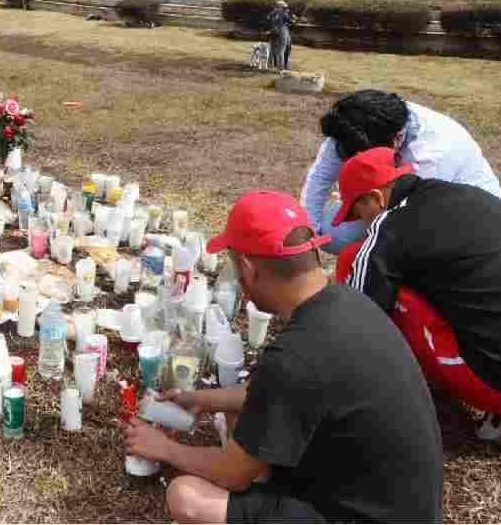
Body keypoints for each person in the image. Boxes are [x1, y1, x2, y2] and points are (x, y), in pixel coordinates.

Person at [121, 191, 442, 524]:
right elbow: (271, 393)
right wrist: (202, 400)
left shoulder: (297, 357)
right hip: (399, 504)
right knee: (242, 417)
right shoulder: (346, 303)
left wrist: (164, 448)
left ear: (247, 269)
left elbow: (233, 475)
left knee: (186, 496)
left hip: (360, 516)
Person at [337, 148, 501, 449]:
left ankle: (392, 396)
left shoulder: (392, 224)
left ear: (375, 198)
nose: (359, 223)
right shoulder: (472, 196)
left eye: (357, 213)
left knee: (353, 262)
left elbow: (359, 315)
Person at [301, 90, 501, 253]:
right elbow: (320, 177)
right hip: (402, 202)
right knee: (331, 232)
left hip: (463, 217)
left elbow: (416, 221)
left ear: (396, 140)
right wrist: (309, 234)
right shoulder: (355, 124)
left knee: (395, 249)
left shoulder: (431, 156)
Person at [265, 0, 294, 72]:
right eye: (284, 7)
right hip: (282, 32)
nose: (285, 8)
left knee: (272, 50)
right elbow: (290, 21)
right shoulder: (284, 14)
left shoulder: (272, 13)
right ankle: (280, 69)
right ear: (281, 7)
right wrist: (294, 19)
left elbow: (268, 20)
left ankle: (270, 66)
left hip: (273, 32)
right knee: (281, 50)